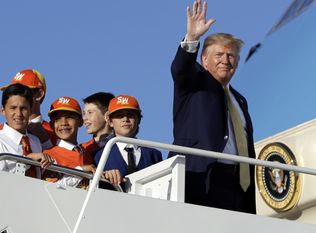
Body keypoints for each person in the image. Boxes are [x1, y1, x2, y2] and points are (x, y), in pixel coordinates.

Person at [171, 0, 256, 213]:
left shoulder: (240, 99)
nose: (225, 60)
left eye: (231, 56)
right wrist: (192, 38)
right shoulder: (194, 81)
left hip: (238, 182)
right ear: (204, 59)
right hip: (202, 175)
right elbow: (181, 69)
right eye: (219, 55)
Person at [94, 95, 162, 189]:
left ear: (138, 120)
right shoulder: (99, 155)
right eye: (119, 116)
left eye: (130, 115)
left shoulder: (154, 154)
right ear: (110, 122)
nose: (125, 119)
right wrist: (104, 176)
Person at [0, 83, 53, 176]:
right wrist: (28, 159)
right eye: (13, 108)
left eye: (23, 108)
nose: (18, 113)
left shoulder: (35, 141)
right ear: (2, 110)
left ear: (30, 110)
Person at [0, 69, 56, 148]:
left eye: (24, 90)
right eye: (13, 90)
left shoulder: (56, 132)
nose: (17, 94)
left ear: (39, 94)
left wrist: (46, 142)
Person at [43, 96, 95, 188]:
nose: (63, 123)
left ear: (80, 122)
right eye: (57, 119)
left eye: (69, 117)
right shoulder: (48, 155)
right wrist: (80, 171)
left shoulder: (87, 154)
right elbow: (50, 188)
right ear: (51, 125)